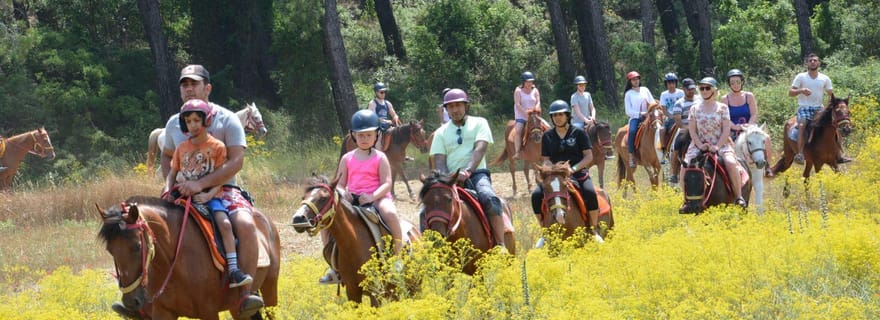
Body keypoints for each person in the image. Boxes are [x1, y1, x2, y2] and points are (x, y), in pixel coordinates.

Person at [157, 64, 264, 317]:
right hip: (183, 191)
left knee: (245, 224)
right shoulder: (174, 123)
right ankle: (148, 295)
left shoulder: (227, 119)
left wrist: (201, 185)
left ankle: (244, 292)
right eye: (184, 84)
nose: (189, 88)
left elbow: (236, 161)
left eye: (194, 83)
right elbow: (168, 157)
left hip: (224, 190)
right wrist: (171, 187)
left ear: (208, 87)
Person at [164, 99, 252, 289]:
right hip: (183, 196)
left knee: (225, 224)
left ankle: (234, 269)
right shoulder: (181, 148)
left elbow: (220, 177)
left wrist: (208, 196)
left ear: (206, 120)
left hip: (210, 196)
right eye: (188, 122)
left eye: (196, 120)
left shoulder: (218, 147)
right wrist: (167, 191)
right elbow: (172, 174)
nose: (193, 125)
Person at [319, 109, 404, 284]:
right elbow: (340, 184)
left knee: (390, 214)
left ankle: (397, 256)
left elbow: (387, 183)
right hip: (352, 200)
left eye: (368, 135)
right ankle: (333, 265)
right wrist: (344, 193)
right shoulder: (347, 158)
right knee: (326, 223)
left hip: (378, 197)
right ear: (353, 136)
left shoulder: (380, 157)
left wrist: (372, 196)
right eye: (360, 135)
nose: (364, 139)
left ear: (376, 136)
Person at [431, 88, 507, 249]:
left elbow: (480, 148)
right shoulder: (440, 133)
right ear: (446, 110)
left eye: (458, 105)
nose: (455, 109)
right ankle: (431, 251)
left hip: (476, 174)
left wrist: (468, 171)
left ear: (466, 106)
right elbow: (439, 161)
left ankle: (500, 244)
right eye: (450, 107)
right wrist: (447, 178)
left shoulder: (480, 123)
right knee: (428, 210)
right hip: (450, 178)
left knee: (490, 198)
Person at [530, 100, 604, 246]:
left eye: (561, 114)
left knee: (589, 192)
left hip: (577, 173)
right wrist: (552, 169)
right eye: (554, 115)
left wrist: (572, 169)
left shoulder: (579, 133)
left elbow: (588, 156)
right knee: (536, 195)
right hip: (555, 175)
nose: (558, 117)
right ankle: (544, 231)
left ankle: (593, 229)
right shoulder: (547, 136)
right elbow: (545, 160)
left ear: (567, 115)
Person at [682, 77, 746, 208]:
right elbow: (692, 131)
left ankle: (738, 196)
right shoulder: (694, 109)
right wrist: (700, 145)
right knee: (685, 167)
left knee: (731, 162)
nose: (704, 91)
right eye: (702, 88)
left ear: (714, 90)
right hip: (698, 145)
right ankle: (686, 200)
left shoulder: (722, 108)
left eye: (707, 88)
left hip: (720, 145)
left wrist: (717, 146)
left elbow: (726, 129)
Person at [788, 53, 851, 164]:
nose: (813, 62)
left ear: (819, 63)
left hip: (819, 108)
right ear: (806, 63)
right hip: (805, 107)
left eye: (815, 60)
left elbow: (831, 95)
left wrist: (830, 107)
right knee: (802, 125)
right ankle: (800, 154)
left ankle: (839, 155)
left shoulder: (824, 78)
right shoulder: (801, 76)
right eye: (810, 60)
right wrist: (801, 90)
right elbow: (791, 93)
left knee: (834, 123)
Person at [722, 69, 774, 177]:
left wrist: (749, 125)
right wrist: (735, 127)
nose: (735, 85)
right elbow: (725, 118)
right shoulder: (725, 98)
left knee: (766, 137)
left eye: (738, 82)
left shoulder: (748, 96)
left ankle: (768, 166)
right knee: (724, 143)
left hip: (749, 126)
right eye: (732, 83)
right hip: (733, 127)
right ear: (729, 84)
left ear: (742, 82)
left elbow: (754, 113)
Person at [623, 71, 656, 168]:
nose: (636, 81)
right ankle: (631, 155)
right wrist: (641, 114)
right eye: (633, 79)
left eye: (637, 79)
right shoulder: (628, 94)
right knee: (632, 131)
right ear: (630, 82)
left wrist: (652, 110)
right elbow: (628, 111)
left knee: (660, 128)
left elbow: (652, 102)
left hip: (649, 116)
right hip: (636, 118)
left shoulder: (645, 89)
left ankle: (664, 152)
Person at [668, 78, 698, 185]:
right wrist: (690, 128)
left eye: (693, 89)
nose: (691, 91)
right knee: (677, 145)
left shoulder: (700, 100)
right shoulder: (679, 103)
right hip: (685, 129)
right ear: (683, 89)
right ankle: (674, 174)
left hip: (701, 129)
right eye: (689, 89)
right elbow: (678, 122)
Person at [513, 71, 542, 160]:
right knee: (518, 130)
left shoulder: (535, 90)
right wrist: (526, 112)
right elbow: (517, 104)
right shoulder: (518, 90)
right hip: (521, 115)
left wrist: (535, 109)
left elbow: (538, 101)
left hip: (534, 116)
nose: (529, 83)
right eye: (527, 82)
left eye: (531, 81)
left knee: (547, 126)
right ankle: (517, 152)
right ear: (523, 82)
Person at [367, 82, 401, 151]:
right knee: (378, 137)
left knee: (399, 133)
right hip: (376, 125)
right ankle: (379, 153)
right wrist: (385, 121)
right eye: (381, 92)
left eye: (384, 92)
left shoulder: (387, 103)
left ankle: (399, 153)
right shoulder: (372, 103)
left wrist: (395, 117)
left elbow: (393, 114)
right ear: (376, 93)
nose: (384, 94)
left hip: (386, 125)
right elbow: (372, 117)